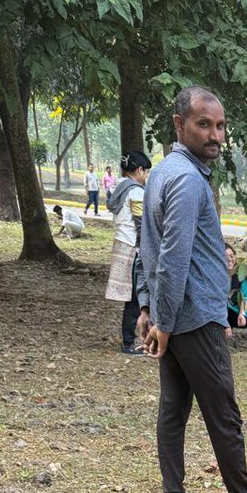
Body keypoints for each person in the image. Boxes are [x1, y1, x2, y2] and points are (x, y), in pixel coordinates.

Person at [135, 85, 247, 493]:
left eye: (220, 126)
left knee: (173, 408)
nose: (215, 135)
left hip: (171, 317)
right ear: (179, 124)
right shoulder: (186, 180)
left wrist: (147, 308)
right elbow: (171, 257)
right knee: (222, 410)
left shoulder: (164, 172)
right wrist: (161, 320)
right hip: (194, 318)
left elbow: (150, 246)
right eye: (204, 124)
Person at [105, 150, 152, 355]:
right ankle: (128, 343)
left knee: (131, 297)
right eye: (146, 171)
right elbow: (141, 225)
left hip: (121, 245)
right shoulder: (136, 192)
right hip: (133, 249)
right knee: (135, 297)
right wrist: (147, 250)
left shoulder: (119, 187)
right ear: (139, 170)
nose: (147, 176)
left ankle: (131, 340)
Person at [225, 243, 247, 330]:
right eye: (225, 257)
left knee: (244, 320)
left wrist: (242, 313)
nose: (229, 259)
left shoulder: (241, 273)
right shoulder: (216, 275)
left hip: (232, 307)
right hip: (217, 311)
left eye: (231, 256)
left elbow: (245, 296)